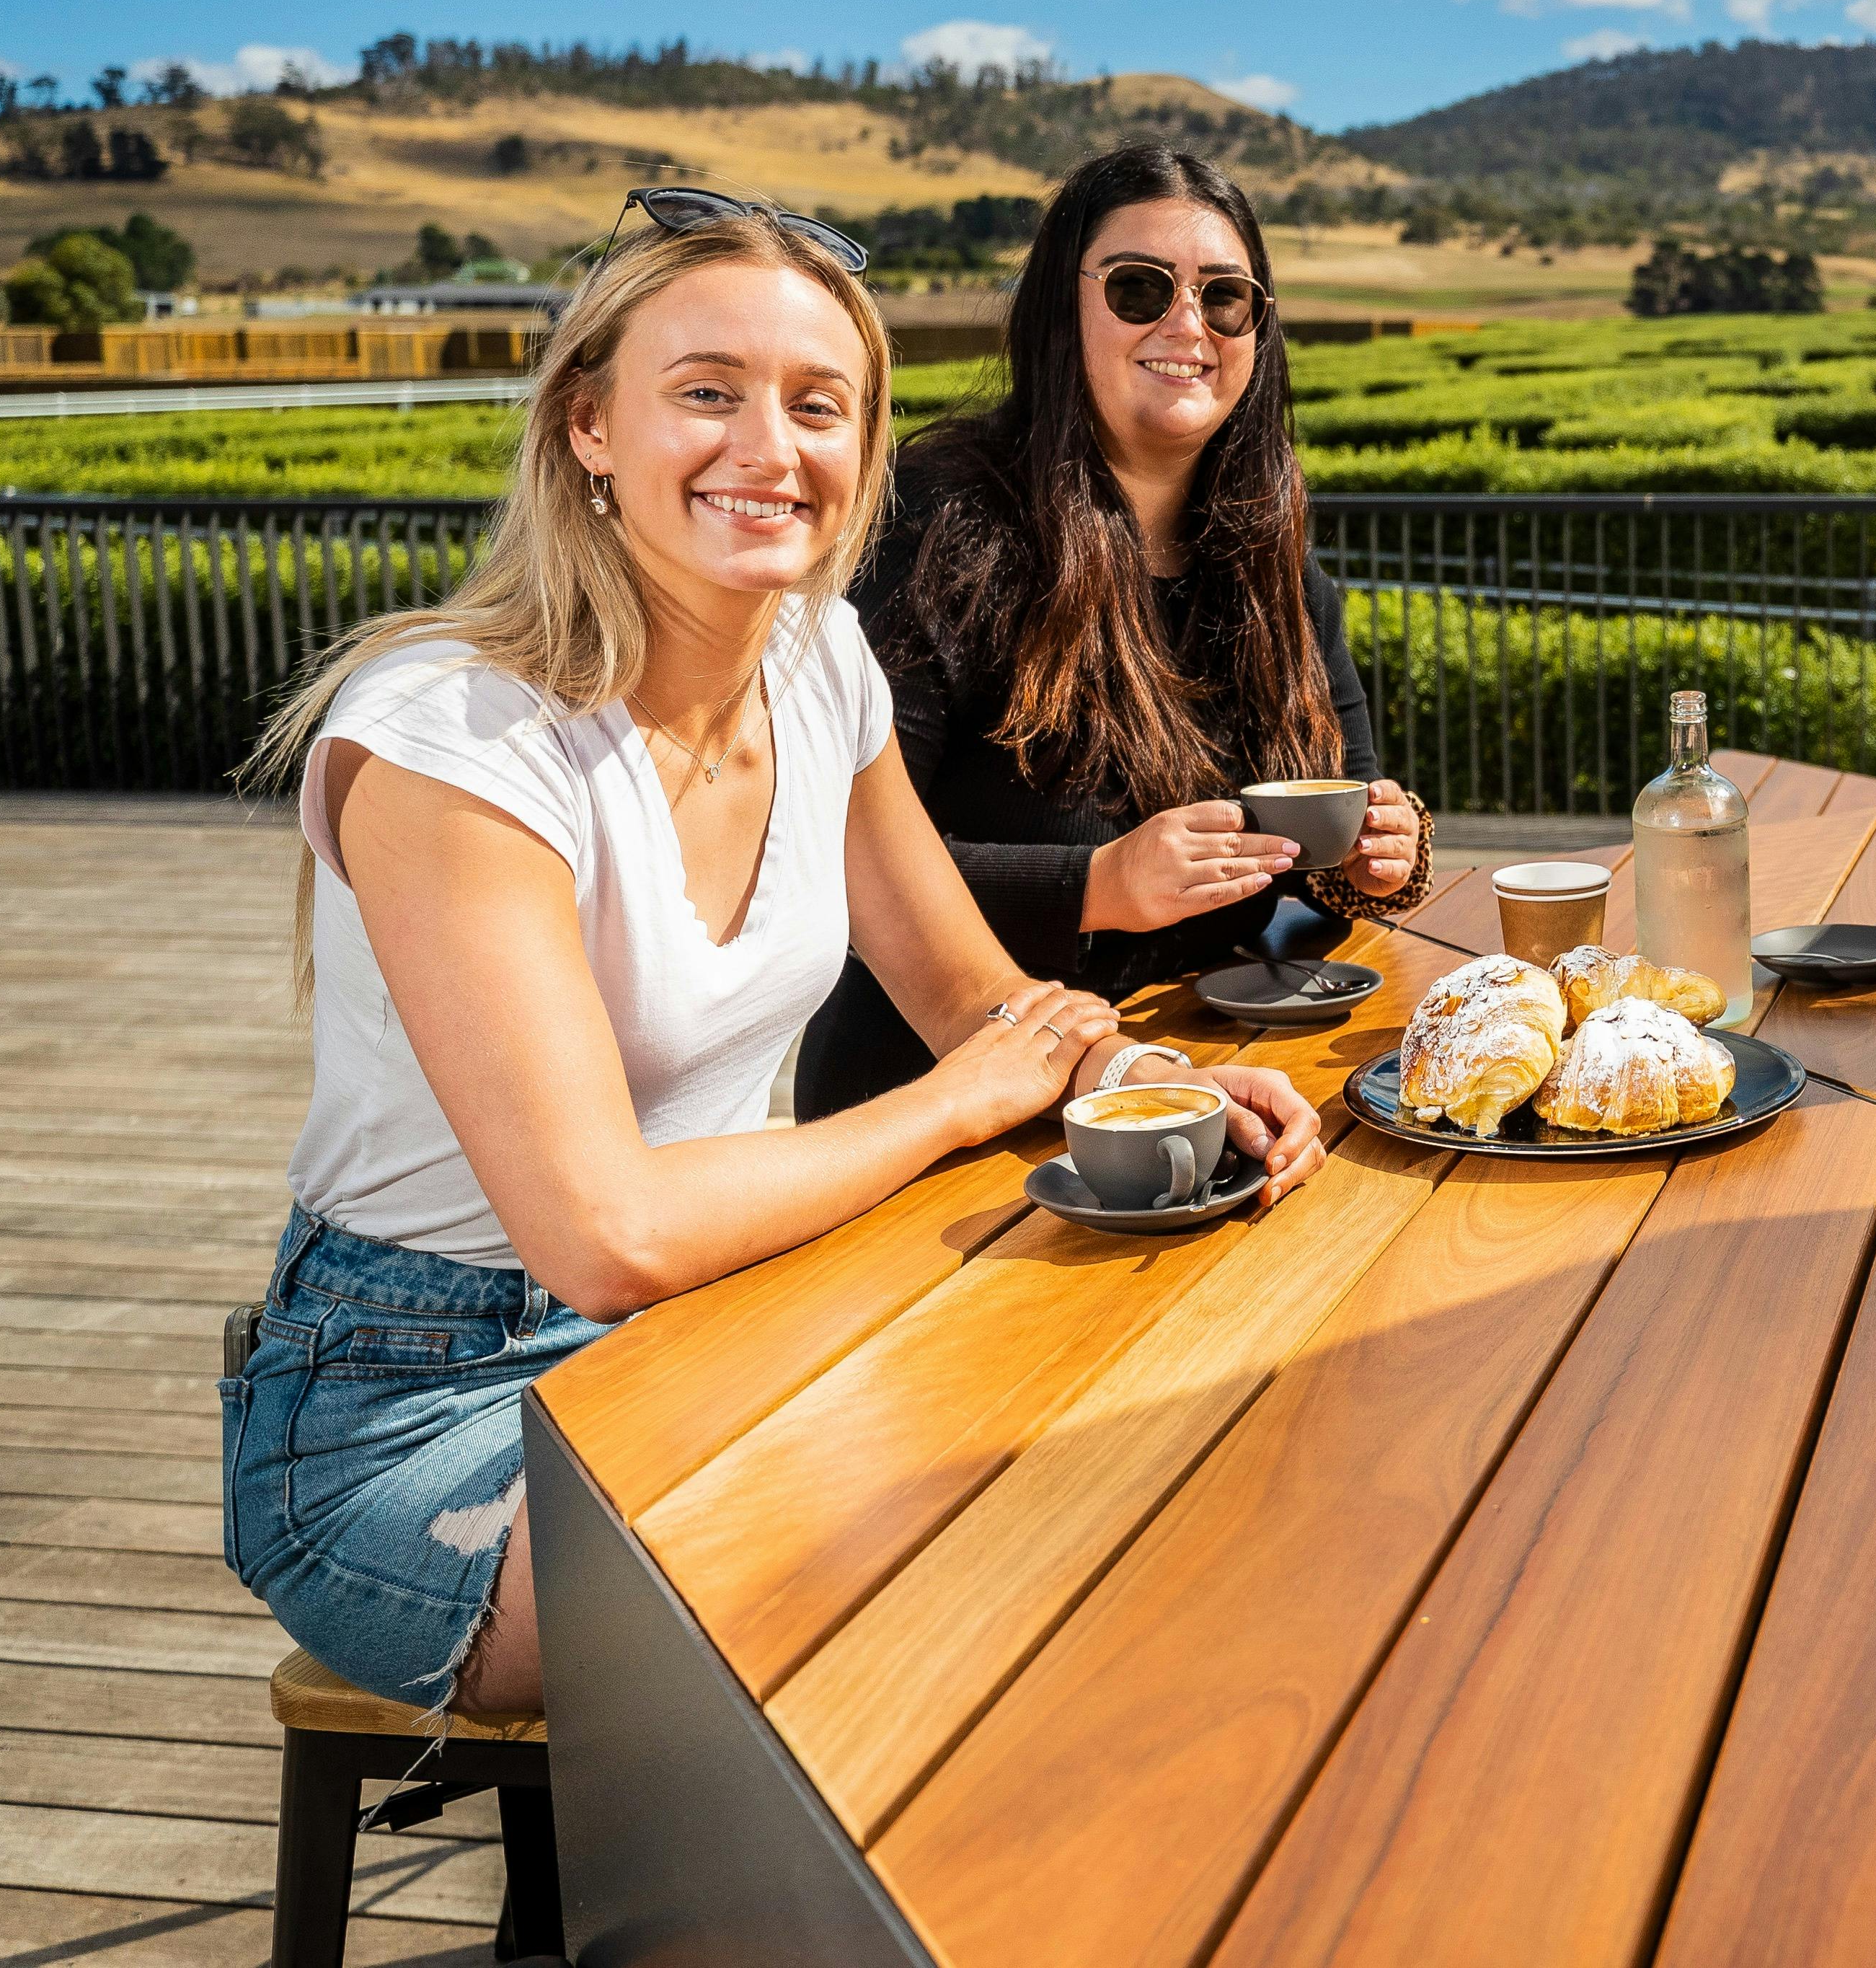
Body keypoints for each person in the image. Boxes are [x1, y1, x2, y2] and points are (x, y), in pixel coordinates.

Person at [226, 193, 1327, 1717]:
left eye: (818, 404)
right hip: (421, 1408)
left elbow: (965, 993)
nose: (769, 445)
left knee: (1125, 1463)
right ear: (589, 426)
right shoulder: (453, 741)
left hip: (715, 1324)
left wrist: (1142, 1078)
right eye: (704, 392)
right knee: (927, 1577)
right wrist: (962, 1103)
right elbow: (603, 1230)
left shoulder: (819, 669)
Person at [795, 145, 1427, 1119]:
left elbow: (1351, 789)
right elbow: (834, 852)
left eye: (1225, 298)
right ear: (1062, 309)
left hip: (1213, 1065)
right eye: (1140, 288)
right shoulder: (943, 528)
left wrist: (1378, 853)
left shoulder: (1271, 556)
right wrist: (1096, 883)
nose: (1188, 323)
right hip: (946, 1101)